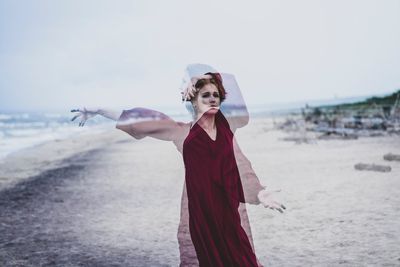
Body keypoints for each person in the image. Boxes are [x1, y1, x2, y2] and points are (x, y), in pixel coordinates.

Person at [71, 64, 285, 266]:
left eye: (216, 95)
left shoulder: (225, 131)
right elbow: (141, 120)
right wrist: (99, 110)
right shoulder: (182, 132)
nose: (212, 99)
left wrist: (259, 193)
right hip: (202, 216)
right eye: (205, 95)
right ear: (193, 100)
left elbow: (239, 170)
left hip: (227, 214)